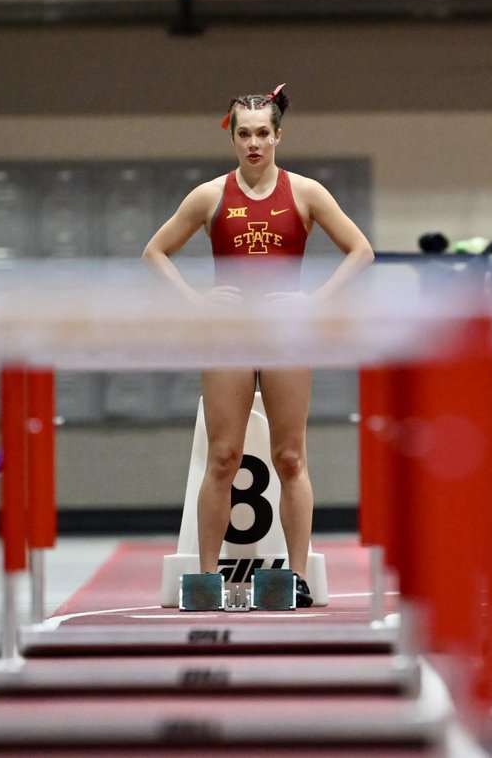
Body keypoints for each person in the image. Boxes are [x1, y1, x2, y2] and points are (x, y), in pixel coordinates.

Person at [143, 84, 375, 607]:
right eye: (244, 134)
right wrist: (196, 302)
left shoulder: (306, 193)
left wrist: (315, 301)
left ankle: (293, 576)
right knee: (222, 457)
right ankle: (206, 580)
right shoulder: (208, 196)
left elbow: (361, 250)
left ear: (278, 136)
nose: (254, 143)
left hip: (287, 337)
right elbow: (155, 252)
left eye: (263, 134)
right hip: (228, 335)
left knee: (291, 457)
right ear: (233, 136)